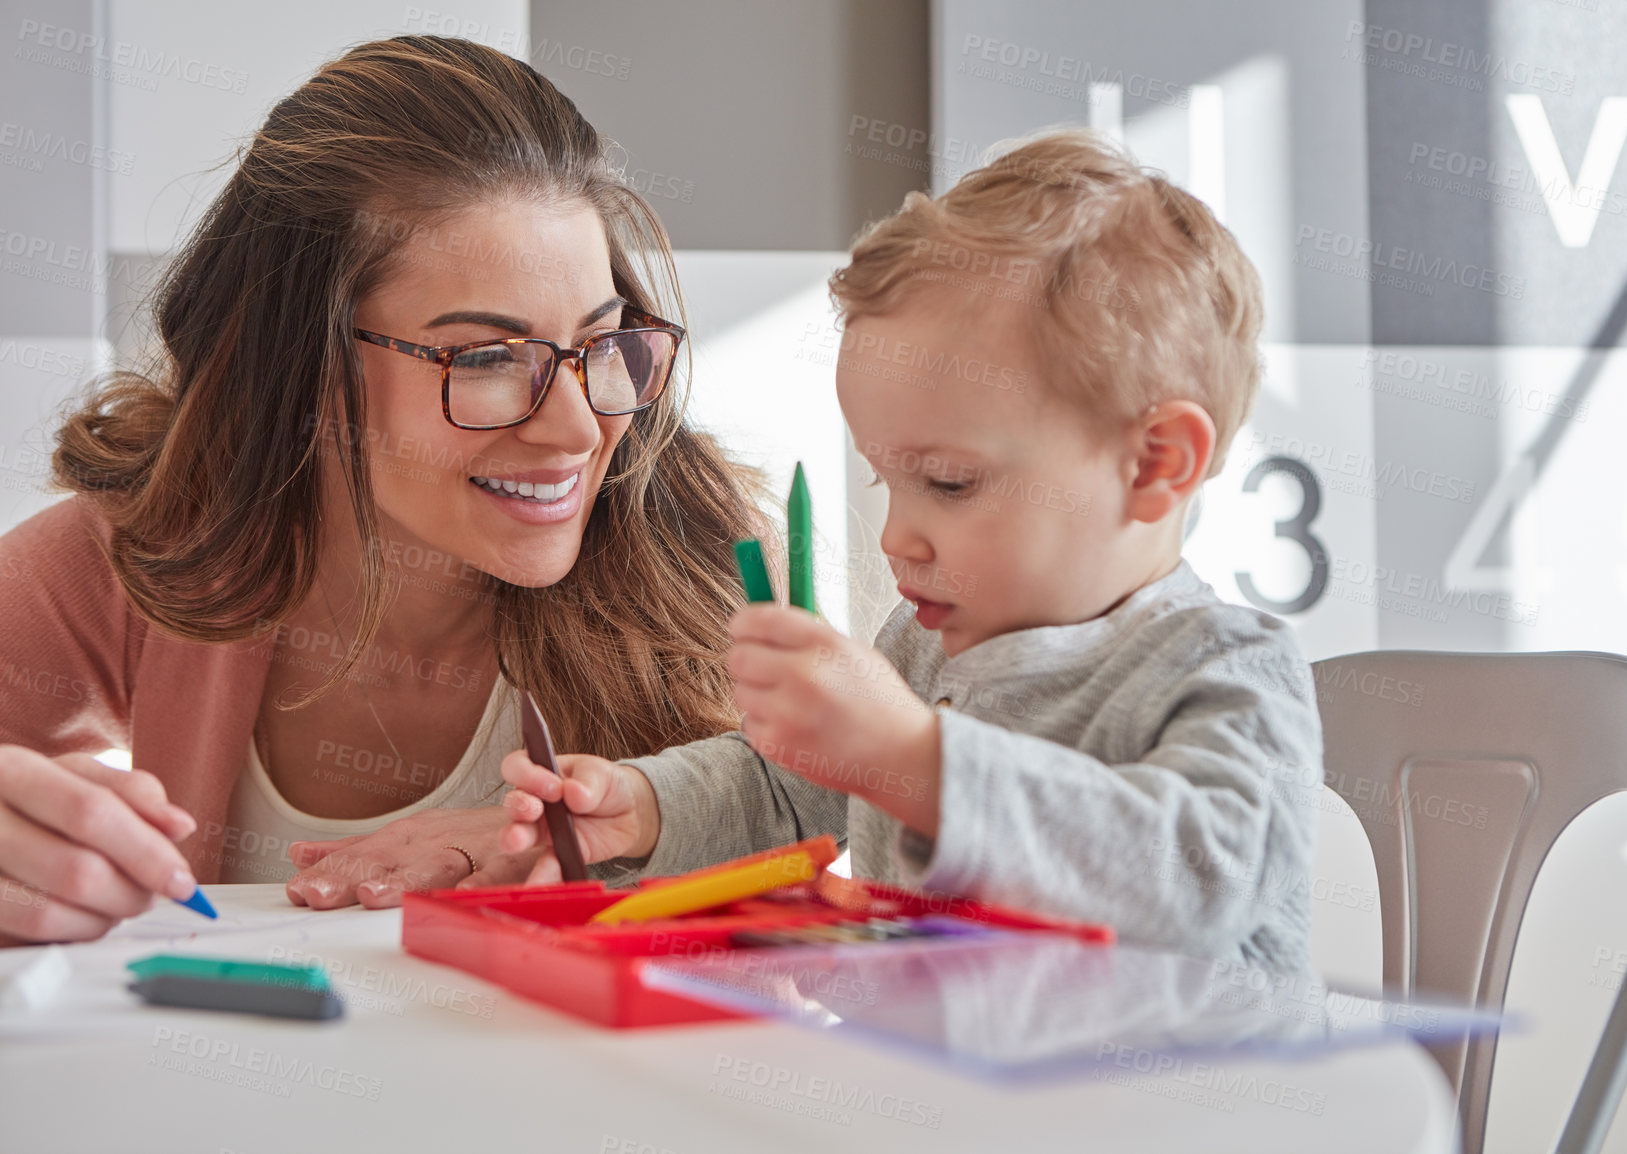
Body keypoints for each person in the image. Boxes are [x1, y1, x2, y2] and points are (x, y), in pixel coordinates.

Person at [0, 36, 773, 945]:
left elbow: (819, 896)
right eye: (486, 356)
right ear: (295, 368)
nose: (576, 429)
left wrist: (625, 852)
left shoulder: (703, 552)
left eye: (601, 343)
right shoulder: (138, 549)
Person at [501, 130, 1325, 969]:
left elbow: (1195, 880)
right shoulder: (921, 645)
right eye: (884, 482)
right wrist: (647, 804)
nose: (897, 537)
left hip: (1182, 1098)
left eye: (950, 484)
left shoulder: (1223, 668)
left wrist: (912, 760)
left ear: (1156, 464)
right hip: (951, 1090)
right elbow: (788, 792)